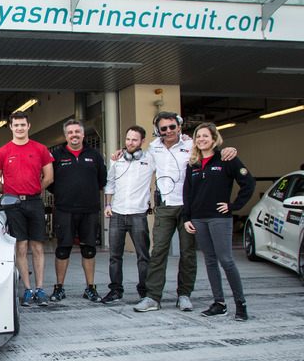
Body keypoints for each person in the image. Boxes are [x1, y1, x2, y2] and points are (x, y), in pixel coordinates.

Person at [133, 112, 237, 313]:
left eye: (172, 127)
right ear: (158, 131)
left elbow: (213, 153)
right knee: (158, 252)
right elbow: (139, 159)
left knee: (188, 253)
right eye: (164, 128)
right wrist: (120, 152)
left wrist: (230, 150)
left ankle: (184, 295)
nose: (169, 131)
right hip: (165, 207)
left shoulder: (192, 146)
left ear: (179, 127)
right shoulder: (154, 148)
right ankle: (153, 297)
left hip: (190, 208)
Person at [182, 123, 255, 321]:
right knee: (210, 260)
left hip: (219, 218)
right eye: (198, 136)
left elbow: (249, 183)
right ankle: (219, 303)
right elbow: (187, 193)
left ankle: (240, 304)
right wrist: (187, 217)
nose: (201, 139)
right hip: (199, 218)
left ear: (214, 139)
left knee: (226, 260)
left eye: (206, 136)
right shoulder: (193, 164)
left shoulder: (226, 159)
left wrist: (234, 206)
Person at [0, 112, 54, 307]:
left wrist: (32, 190)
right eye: (16, 125)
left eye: (22, 125)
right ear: (10, 127)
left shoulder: (40, 149)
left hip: (34, 202)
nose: (19, 128)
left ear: (28, 126)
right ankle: (27, 290)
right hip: (13, 205)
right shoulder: (3, 151)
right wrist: (11, 193)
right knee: (21, 247)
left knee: (38, 247)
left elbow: (49, 177)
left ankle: (40, 290)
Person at [47, 119, 107, 303]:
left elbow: (102, 180)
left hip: (89, 210)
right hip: (65, 209)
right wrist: (64, 194)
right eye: (70, 132)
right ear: (66, 136)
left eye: (77, 132)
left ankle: (90, 288)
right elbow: (49, 182)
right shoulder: (56, 156)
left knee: (89, 249)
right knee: (63, 249)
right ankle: (59, 288)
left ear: (82, 134)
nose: (74, 135)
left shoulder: (94, 155)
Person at [102, 126, 155, 304]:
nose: (130, 143)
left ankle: (144, 291)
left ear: (142, 142)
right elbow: (110, 184)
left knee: (143, 256)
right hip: (117, 213)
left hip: (138, 214)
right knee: (114, 256)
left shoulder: (150, 160)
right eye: (128, 139)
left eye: (134, 140)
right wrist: (108, 204)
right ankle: (116, 290)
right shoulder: (117, 160)